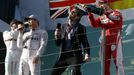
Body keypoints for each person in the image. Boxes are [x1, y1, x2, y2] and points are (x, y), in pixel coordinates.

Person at [87, 0, 124, 75]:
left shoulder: (116, 12)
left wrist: (106, 14)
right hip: (104, 42)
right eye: (99, 4)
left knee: (118, 62)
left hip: (115, 40)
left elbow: (116, 19)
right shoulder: (102, 16)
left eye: (102, 4)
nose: (100, 6)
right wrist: (89, 13)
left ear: (107, 3)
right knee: (104, 65)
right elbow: (94, 24)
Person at [51, 7, 90, 75]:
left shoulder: (81, 27)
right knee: (54, 73)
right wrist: (57, 36)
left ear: (77, 17)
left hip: (75, 55)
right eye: (71, 12)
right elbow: (58, 43)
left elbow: (85, 42)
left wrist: (87, 54)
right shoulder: (63, 26)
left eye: (73, 12)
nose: (70, 13)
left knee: (75, 72)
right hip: (64, 56)